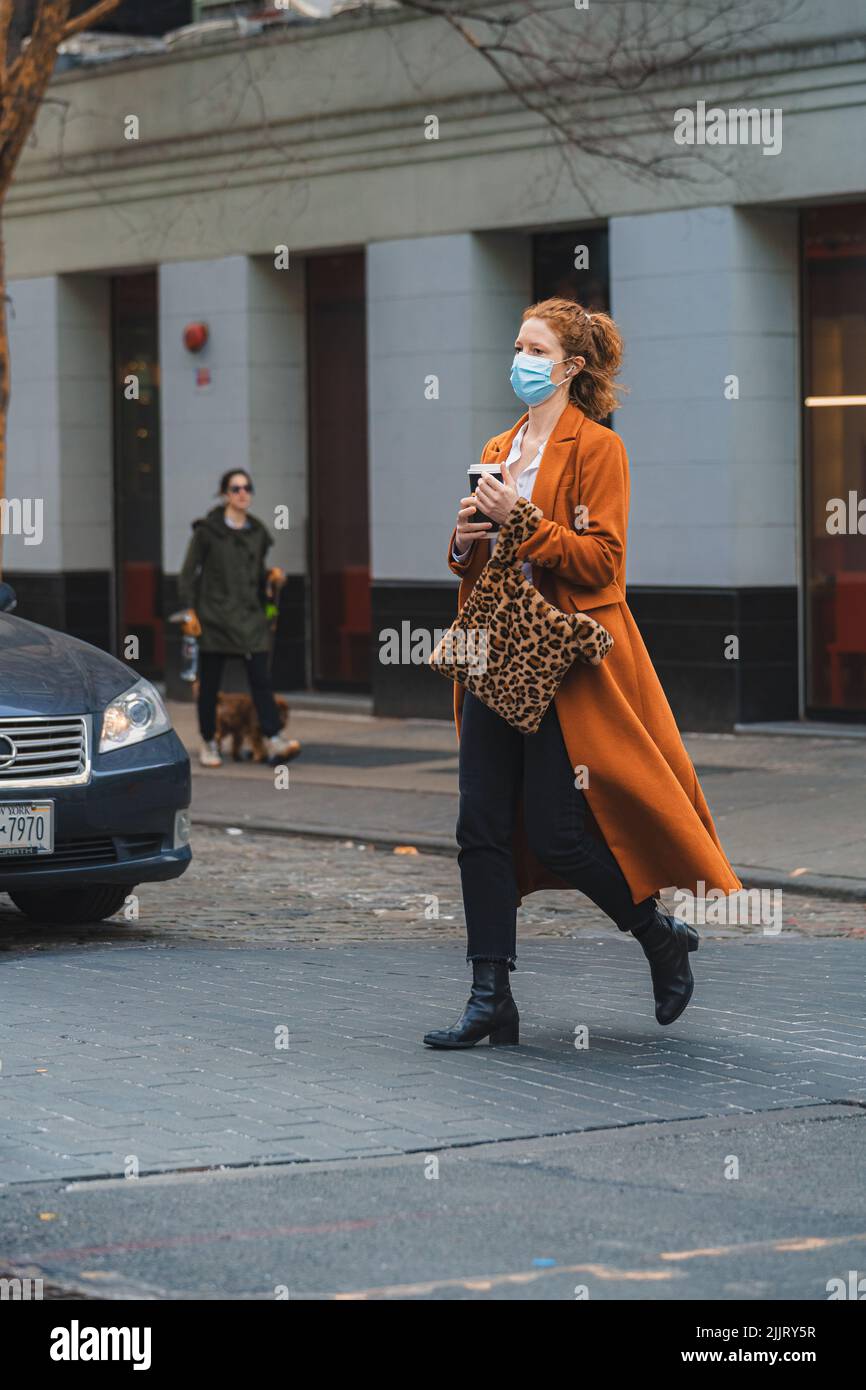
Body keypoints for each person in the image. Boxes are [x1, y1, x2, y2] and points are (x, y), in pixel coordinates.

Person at [422, 298, 741, 1049]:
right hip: (495, 656)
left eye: (535, 350)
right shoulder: (500, 446)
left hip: (567, 664)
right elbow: (472, 562)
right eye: (518, 345)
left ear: (570, 366)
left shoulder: (598, 449)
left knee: (560, 833)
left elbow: (605, 562)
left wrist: (522, 521)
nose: (521, 361)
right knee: (479, 825)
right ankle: (489, 997)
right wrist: (468, 535)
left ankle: (658, 935)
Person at [178, 468, 301, 769]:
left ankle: (273, 738)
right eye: (235, 489)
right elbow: (187, 573)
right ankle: (209, 741)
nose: (243, 493)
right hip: (214, 617)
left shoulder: (256, 532)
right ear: (224, 494)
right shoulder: (207, 531)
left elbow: (257, 575)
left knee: (261, 679)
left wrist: (272, 578)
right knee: (209, 685)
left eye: (247, 487)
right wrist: (190, 611)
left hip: (249, 618)